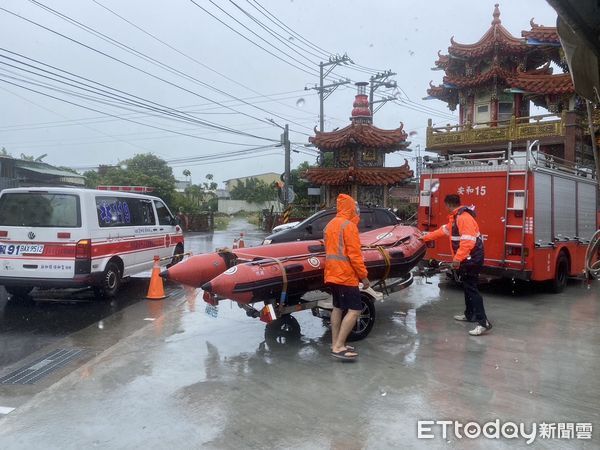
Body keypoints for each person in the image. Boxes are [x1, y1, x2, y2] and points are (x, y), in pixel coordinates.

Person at [420, 194, 492, 336]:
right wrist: (425, 238)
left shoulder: (463, 218)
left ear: (448, 205)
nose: (445, 208)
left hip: (471, 258)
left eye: (445, 205)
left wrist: (458, 259)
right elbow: (443, 231)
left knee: (471, 288)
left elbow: (468, 242)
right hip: (468, 257)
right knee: (467, 286)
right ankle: (470, 314)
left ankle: (483, 322)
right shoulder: (455, 218)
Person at [324, 193, 370, 360]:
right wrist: (364, 277)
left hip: (332, 274)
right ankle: (339, 347)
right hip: (345, 275)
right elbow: (355, 256)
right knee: (355, 310)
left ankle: (335, 342)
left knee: (337, 307)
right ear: (351, 208)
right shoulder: (348, 226)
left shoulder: (330, 225)